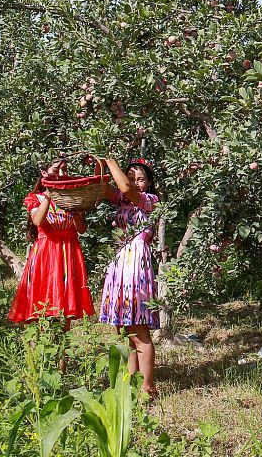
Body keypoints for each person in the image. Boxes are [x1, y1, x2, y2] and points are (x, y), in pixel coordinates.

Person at [97, 157, 160, 398]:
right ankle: (132, 383)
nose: (135, 183)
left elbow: (124, 188)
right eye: (132, 178)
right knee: (124, 329)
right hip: (120, 262)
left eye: (141, 179)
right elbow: (102, 186)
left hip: (136, 264)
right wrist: (99, 163)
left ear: (150, 182)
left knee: (139, 329)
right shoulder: (123, 199)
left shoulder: (150, 200)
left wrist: (109, 158)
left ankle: (147, 387)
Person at [9, 159, 95, 328]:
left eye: (65, 170)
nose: (62, 174)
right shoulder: (35, 198)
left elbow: (82, 229)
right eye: (57, 170)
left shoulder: (72, 197)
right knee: (43, 306)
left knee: (65, 310)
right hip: (46, 253)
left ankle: (62, 351)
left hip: (68, 253)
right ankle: (41, 352)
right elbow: (38, 220)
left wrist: (75, 209)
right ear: (44, 174)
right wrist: (50, 193)